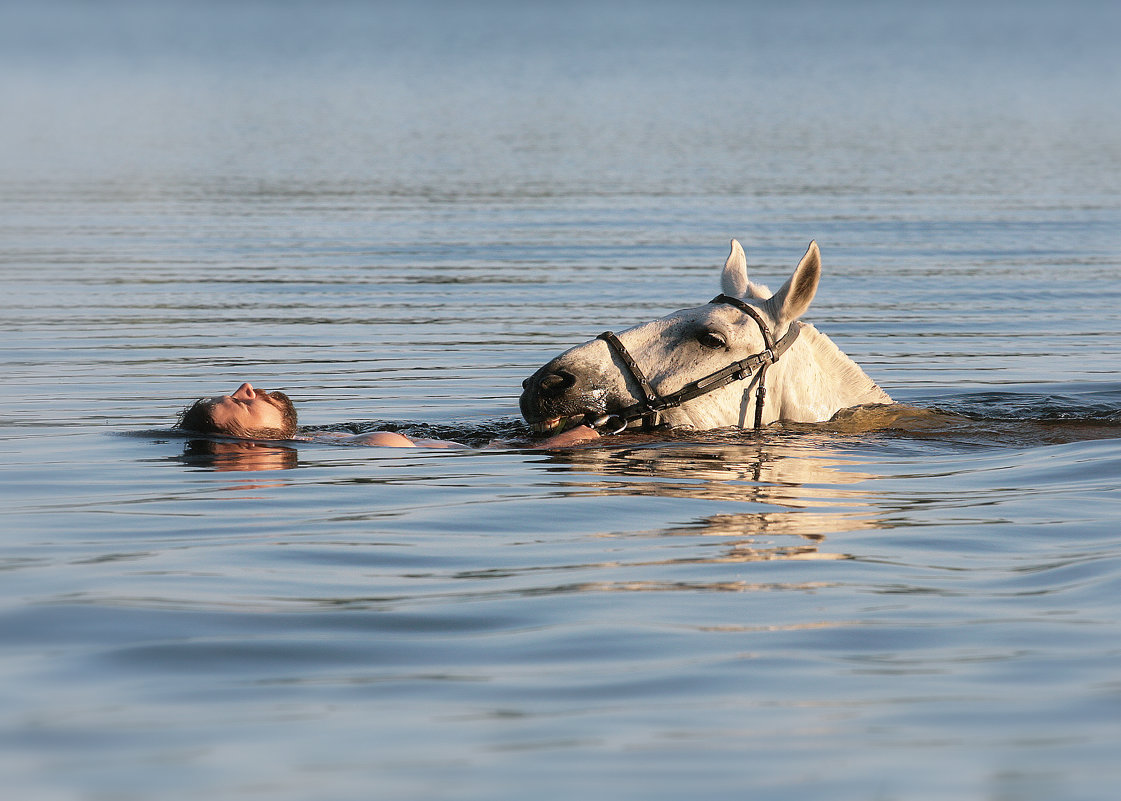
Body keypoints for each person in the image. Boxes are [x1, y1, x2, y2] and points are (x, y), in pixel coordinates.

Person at [177, 382, 599, 448]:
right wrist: (554, 445)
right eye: (242, 403)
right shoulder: (369, 446)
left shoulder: (321, 438)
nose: (246, 387)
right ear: (246, 449)